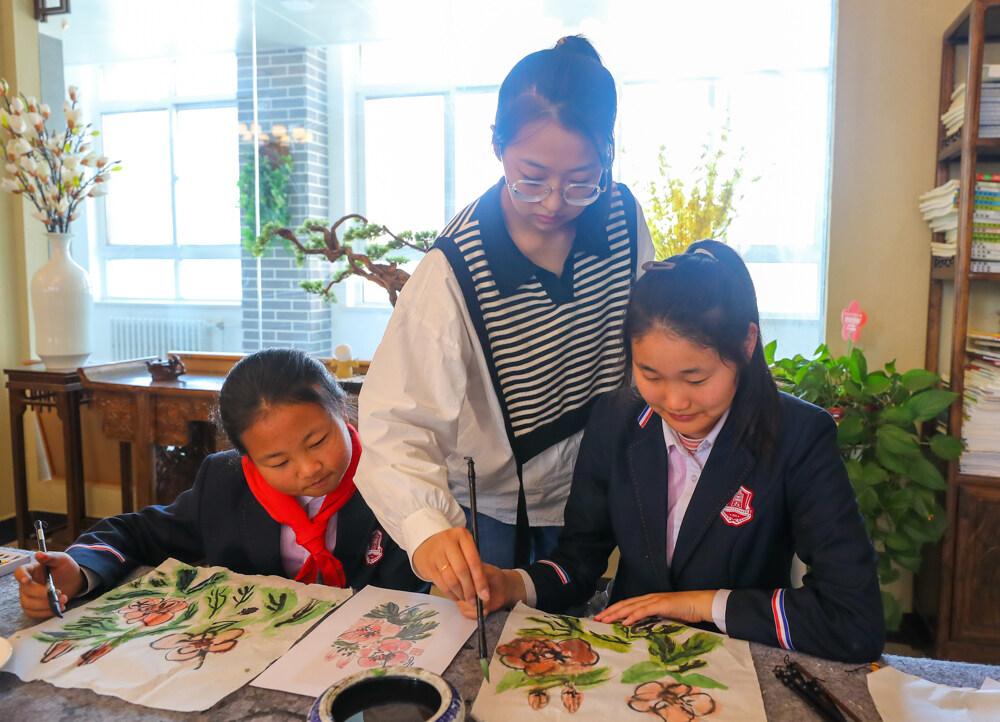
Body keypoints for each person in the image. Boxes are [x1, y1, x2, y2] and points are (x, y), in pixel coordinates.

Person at [459, 240, 885, 663]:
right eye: (650, 374)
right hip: (630, 659)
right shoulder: (616, 421)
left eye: (696, 379)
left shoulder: (797, 436)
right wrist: (513, 585)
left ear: (747, 344)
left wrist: (698, 604)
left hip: (737, 662)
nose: (674, 401)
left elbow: (853, 619)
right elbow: (578, 561)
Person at [355, 35, 654, 605]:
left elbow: (644, 337)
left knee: (576, 634)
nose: (554, 202)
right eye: (532, 176)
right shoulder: (456, 267)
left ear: (608, 154)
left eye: (581, 179)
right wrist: (427, 529)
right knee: (486, 649)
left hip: (593, 485)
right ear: (496, 145)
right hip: (489, 504)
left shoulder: (620, 214)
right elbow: (396, 423)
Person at [16, 348, 422, 619]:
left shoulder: (394, 474)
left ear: (343, 409)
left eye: (318, 441)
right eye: (277, 461)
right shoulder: (225, 485)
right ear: (247, 458)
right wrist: (79, 569)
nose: (307, 468)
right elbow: (135, 532)